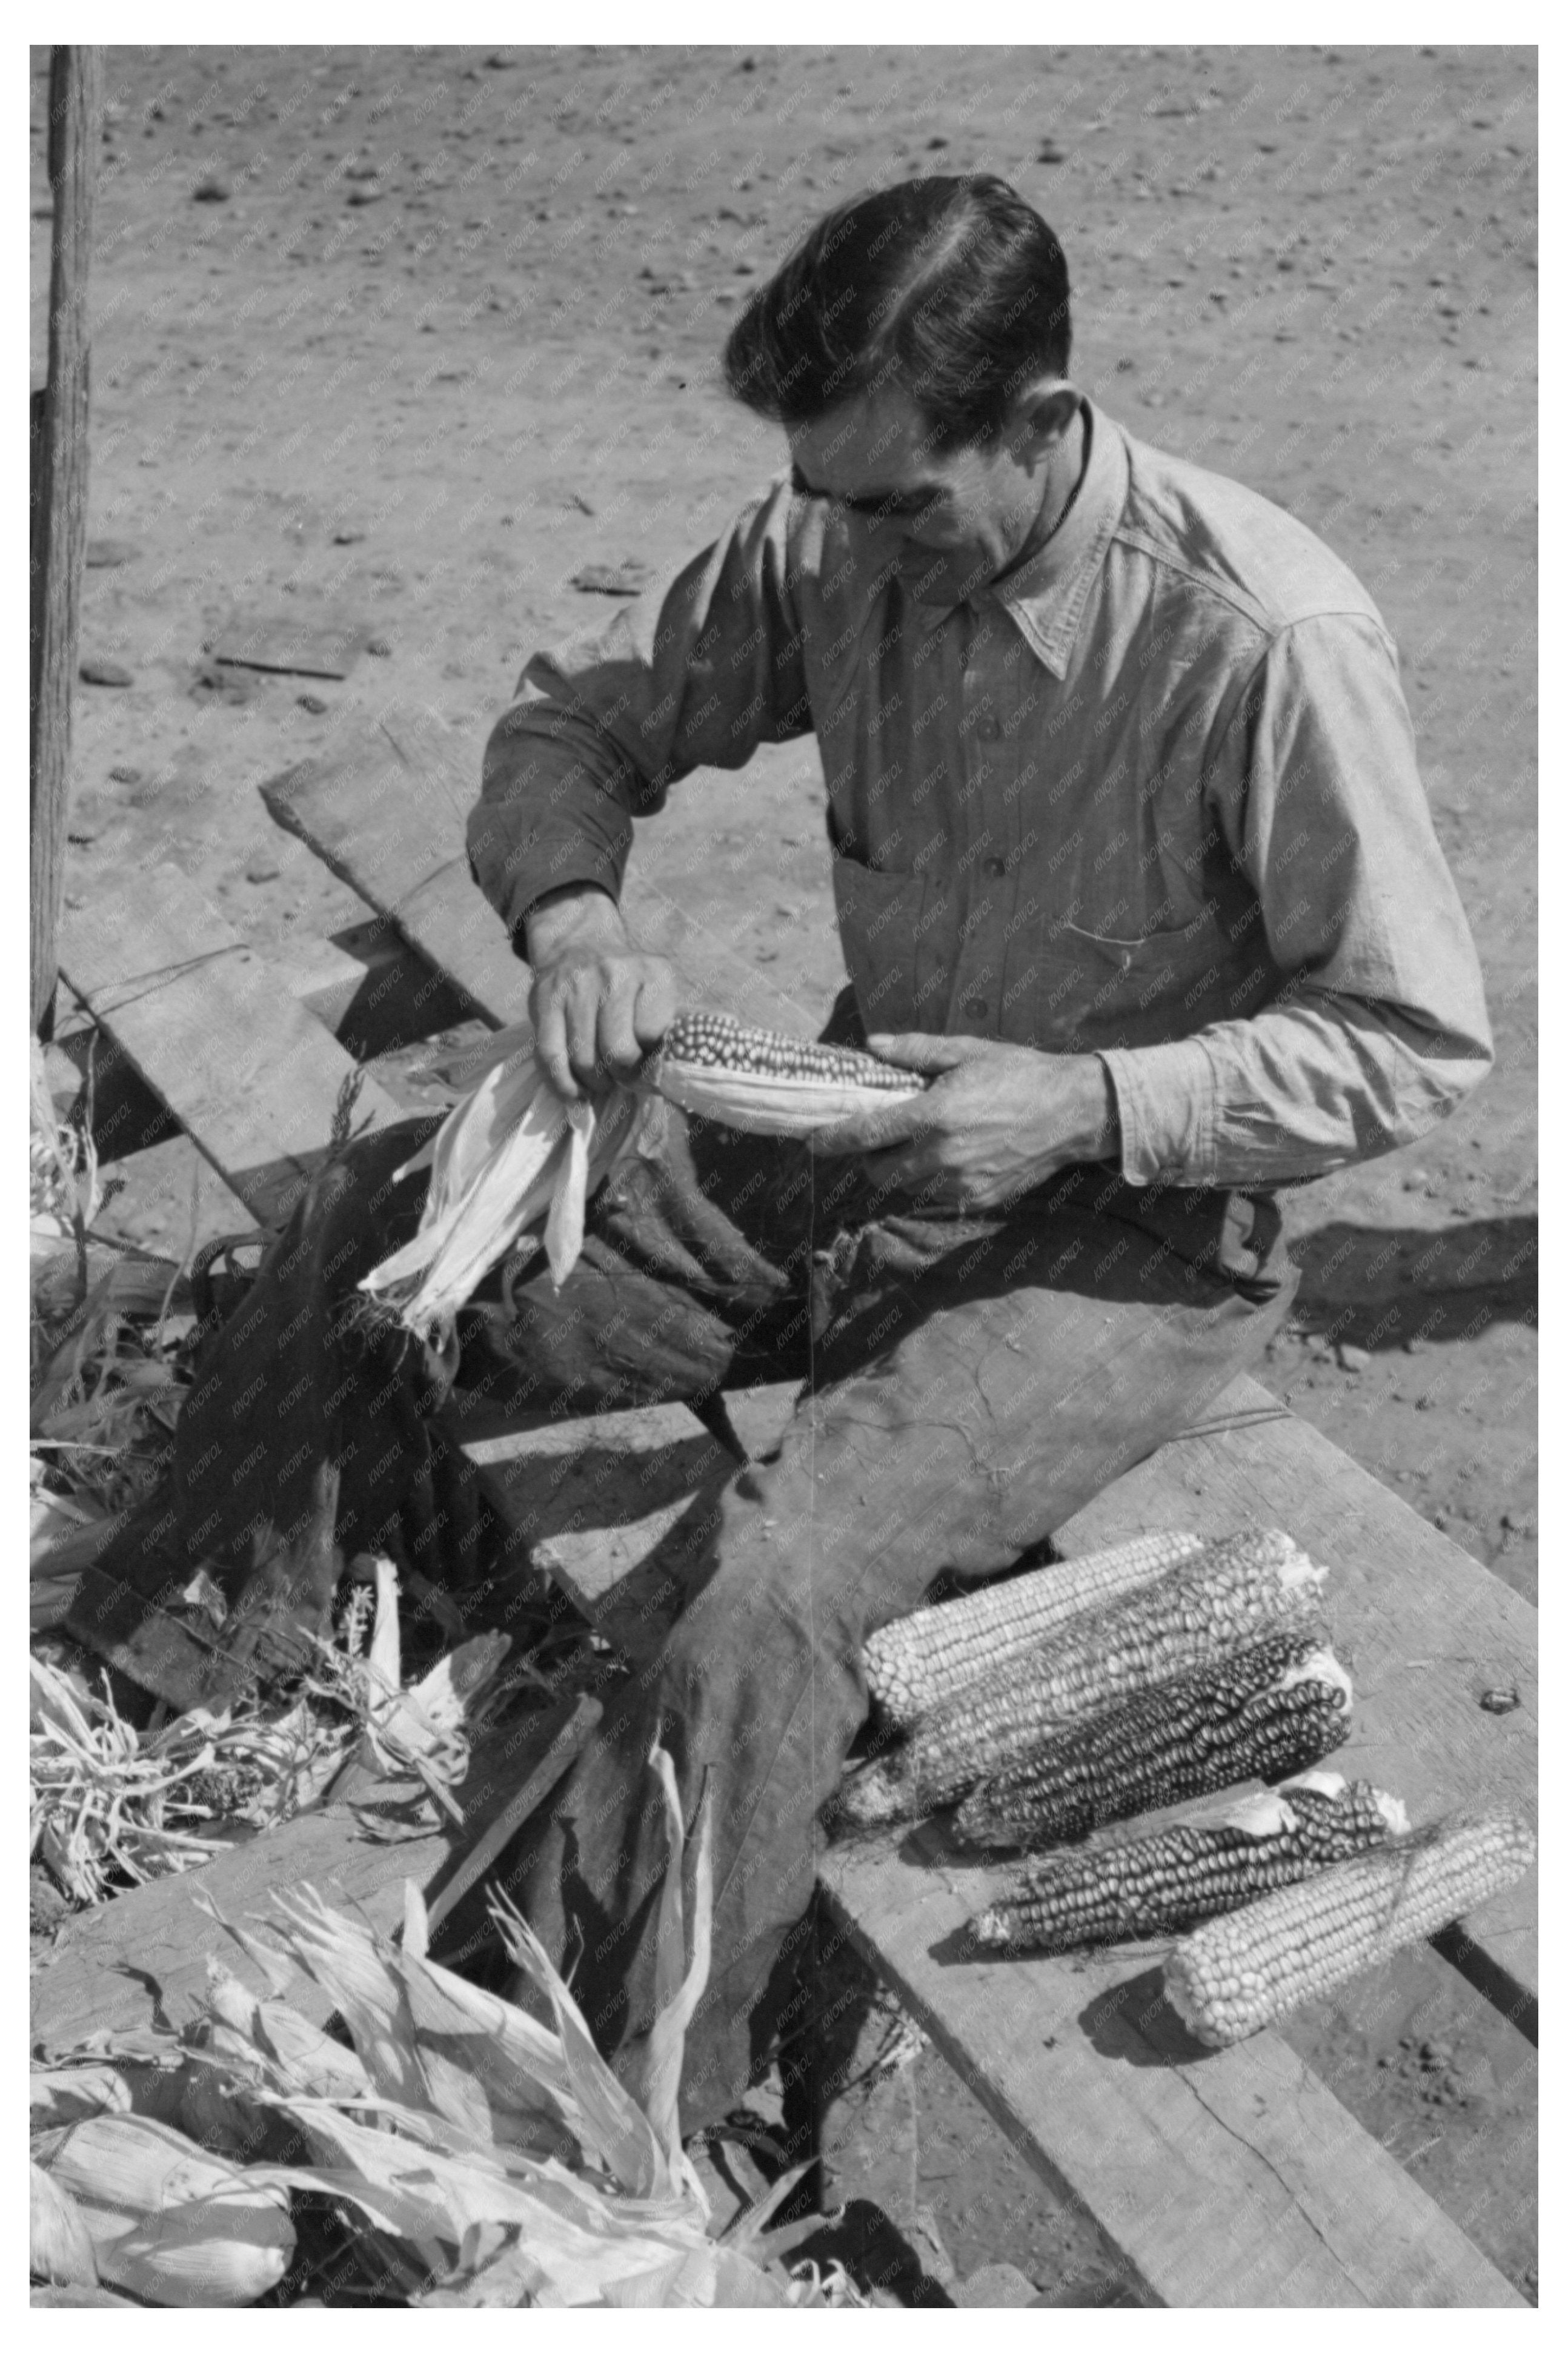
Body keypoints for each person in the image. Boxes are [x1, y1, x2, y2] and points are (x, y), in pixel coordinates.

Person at [88, 174, 1492, 2132]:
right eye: (826, 501)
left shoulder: (1260, 639)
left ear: (1037, 418)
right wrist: (573, 915)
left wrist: (1083, 1101)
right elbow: (572, 732)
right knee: (379, 1235)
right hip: (864, 1133)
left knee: (773, 1594)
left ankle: (591, 2106)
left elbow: (1412, 1040)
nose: (856, 555)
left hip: (1128, 1234)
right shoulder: (838, 536)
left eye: (903, 505)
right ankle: (151, 1720)